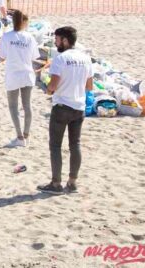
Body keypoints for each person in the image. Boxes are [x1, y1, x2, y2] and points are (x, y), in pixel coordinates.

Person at [38, 26, 93, 195]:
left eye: (57, 39)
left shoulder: (60, 59)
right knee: (75, 145)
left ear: (65, 40)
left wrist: (48, 89)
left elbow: (52, 86)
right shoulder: (86, 58)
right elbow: (89, 86)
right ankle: (72, 182)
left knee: (55, 146)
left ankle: (56, 184)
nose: (55, 42)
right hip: (79, 107)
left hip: (62, 107)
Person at [0, 10, 39, 147]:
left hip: (13, 74)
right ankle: (26, 135)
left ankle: (20, 137)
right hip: (27, 74)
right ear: (24, 22)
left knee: (13, 106)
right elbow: (34, 57)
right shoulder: (30, 37)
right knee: (27, 105)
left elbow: (2, 57)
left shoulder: (7, 36)